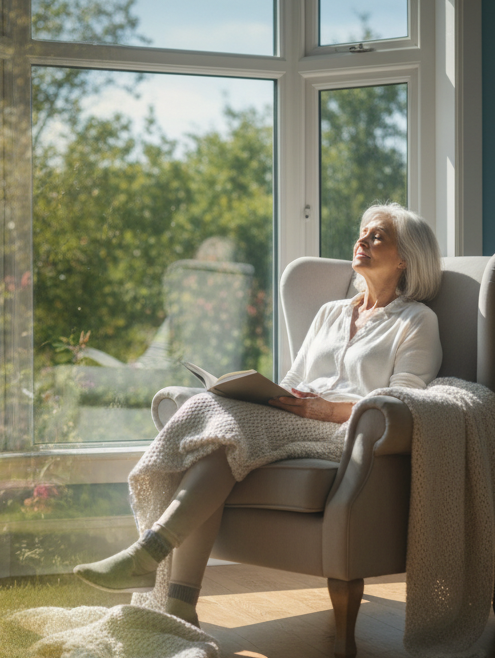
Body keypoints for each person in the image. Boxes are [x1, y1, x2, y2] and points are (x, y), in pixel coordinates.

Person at [74, 202, 443, 625]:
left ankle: (149, 552)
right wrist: (266, 395)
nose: (362, 239)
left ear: (404, 259)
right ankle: (179, 609)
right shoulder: (330, 313)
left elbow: (405, 404)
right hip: (294, 418)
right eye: (362, 232)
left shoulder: (417, 320)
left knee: (215, 420)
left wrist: (327, 410)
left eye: (377, 235)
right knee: (213, 437)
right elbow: (294, 378)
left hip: (347, 433)